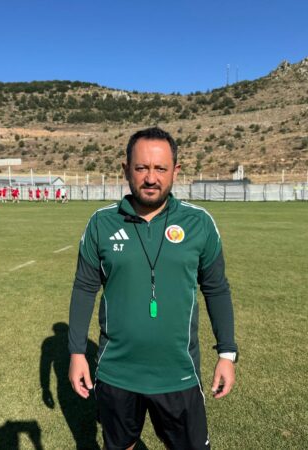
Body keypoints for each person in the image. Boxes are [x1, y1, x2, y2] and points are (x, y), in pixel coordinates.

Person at [68, 127, 238, 450]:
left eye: (160, 168)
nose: (150, 178)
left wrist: (226, 354)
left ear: (175, 171)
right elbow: (84, 288)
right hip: (117, 373)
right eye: (141, 167)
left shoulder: (199, 223)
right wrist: (77, 353)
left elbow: (216, 289)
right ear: (126, 170)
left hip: (179, 374)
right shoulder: (101, 224)